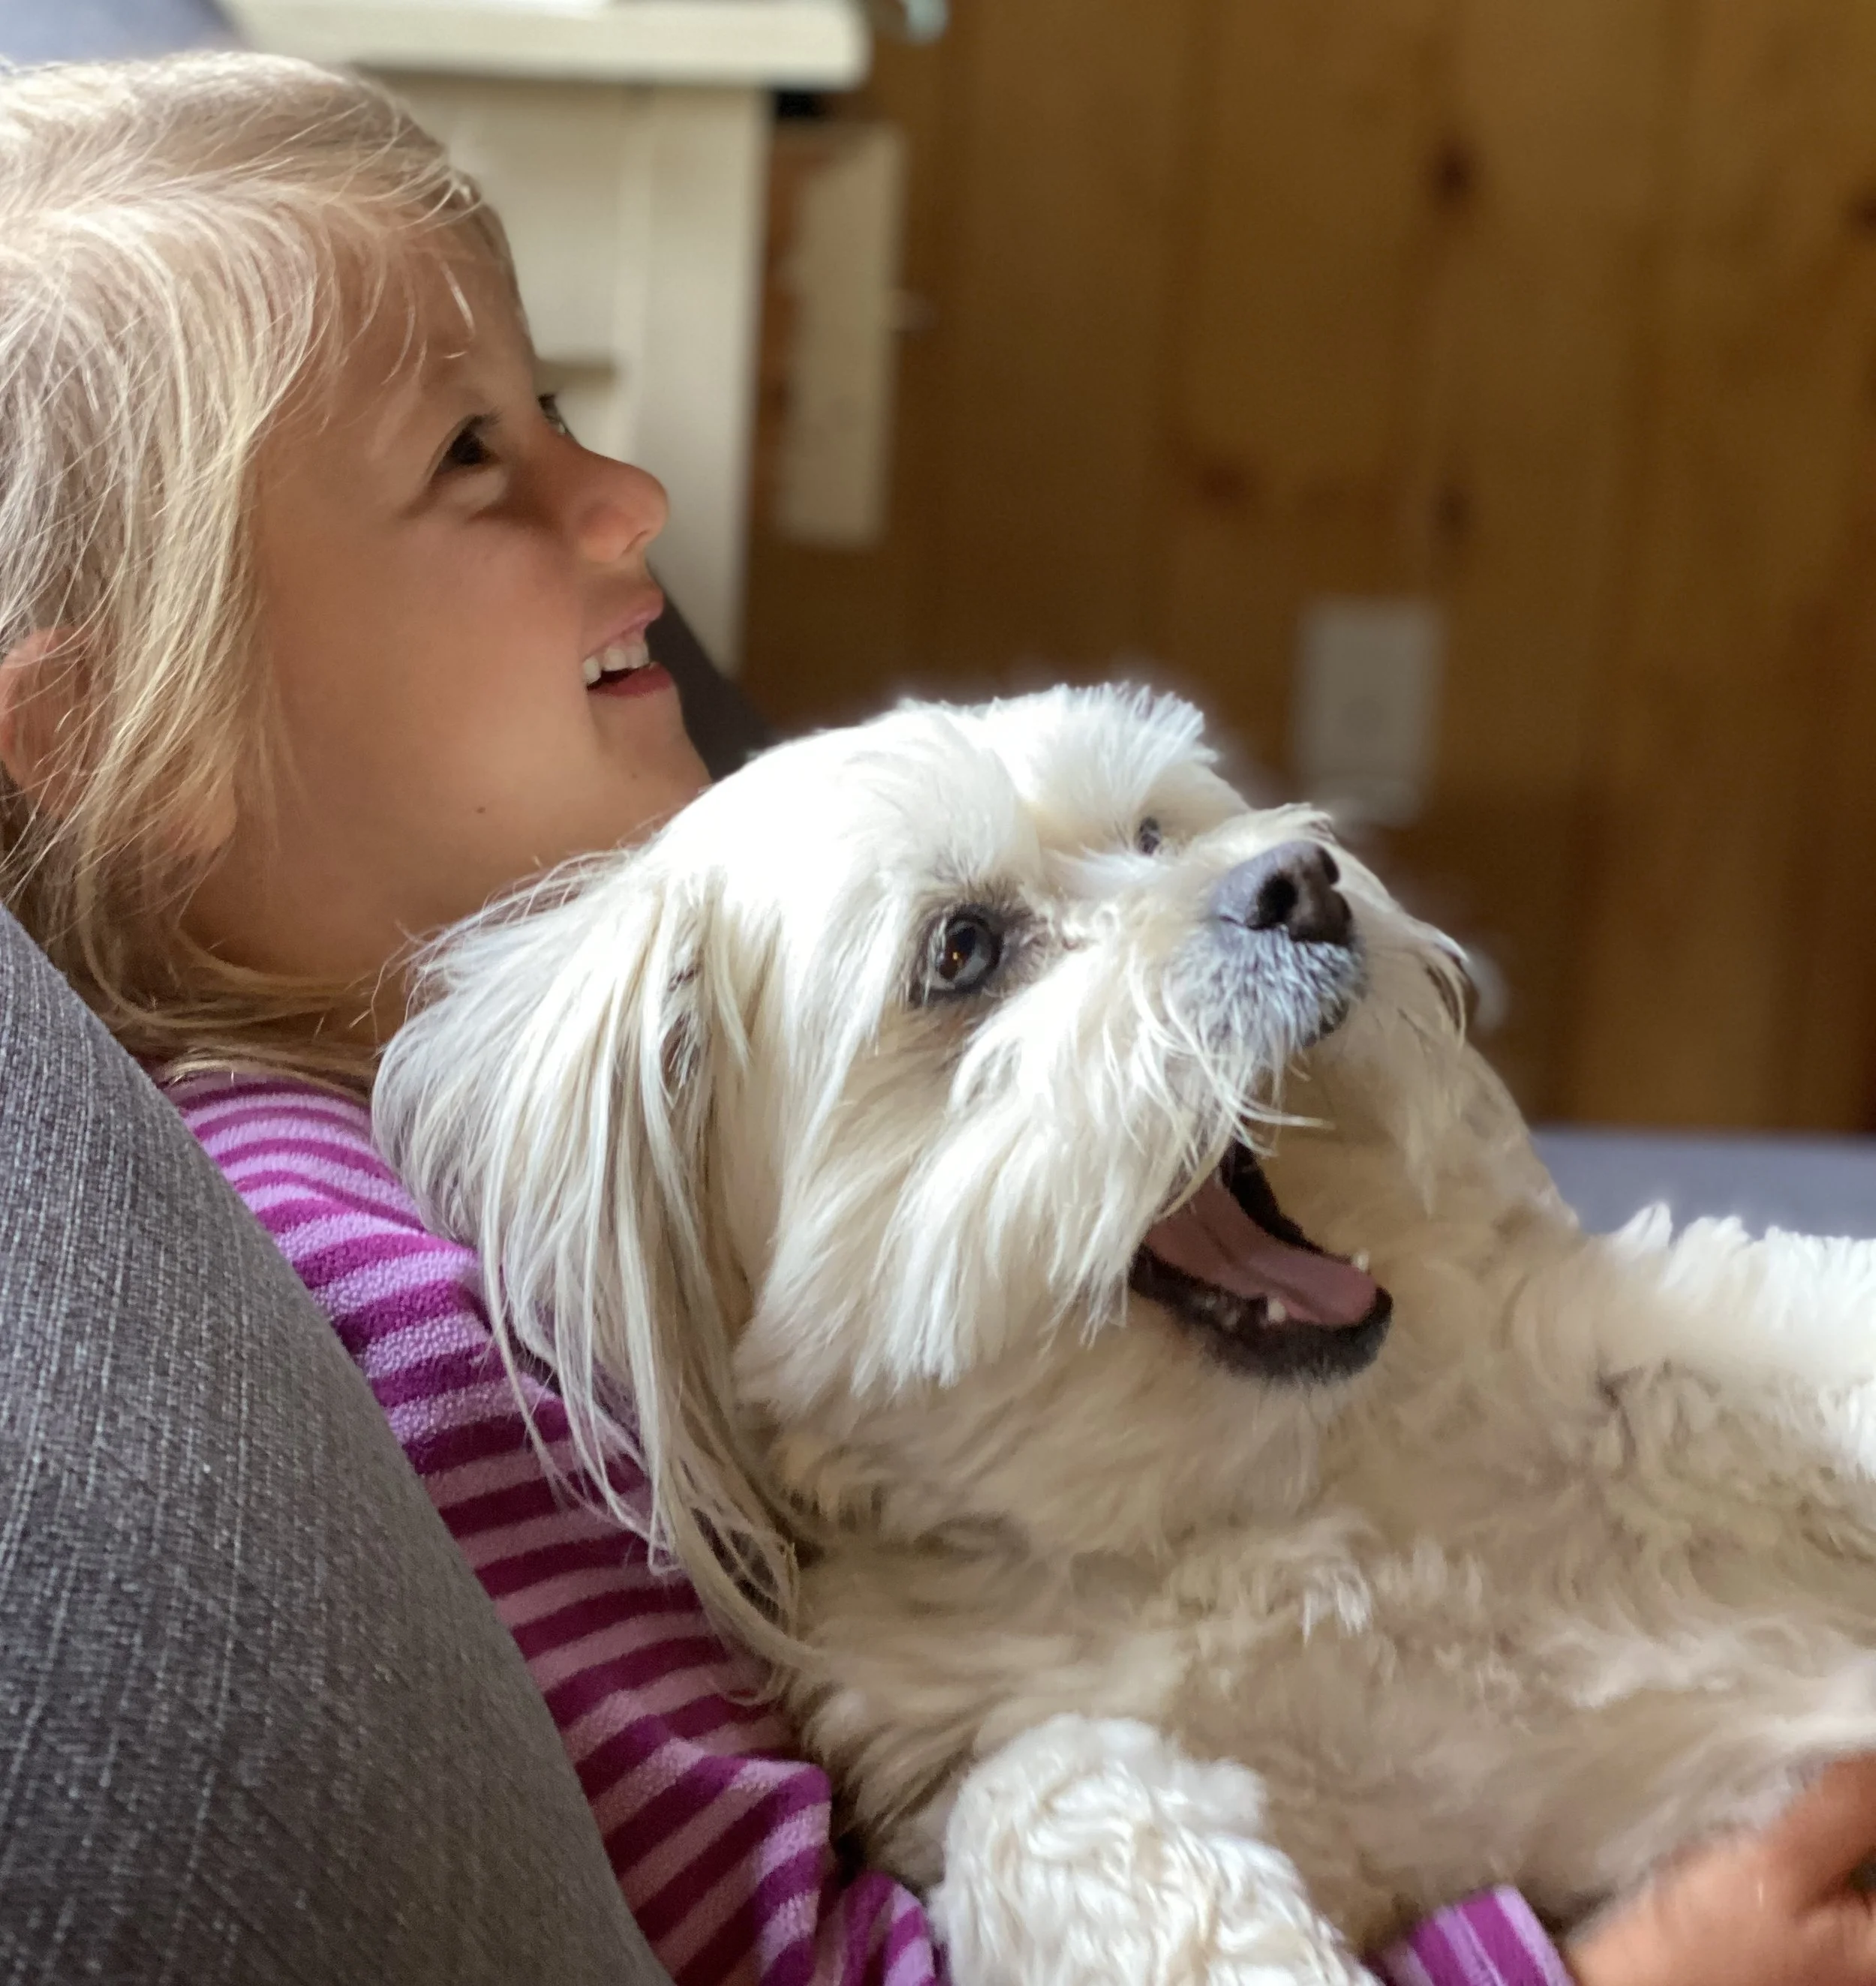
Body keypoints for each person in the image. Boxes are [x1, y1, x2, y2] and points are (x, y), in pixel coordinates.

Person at [2, 49, 1874, 1986]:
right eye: (471, 454)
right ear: (122, 744)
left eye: (550, 406)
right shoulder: (371, 1270)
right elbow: (797, 1952)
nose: (627, 494)